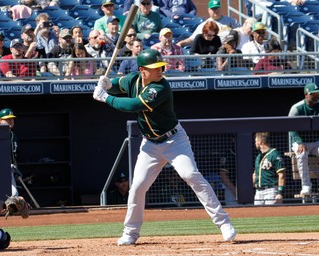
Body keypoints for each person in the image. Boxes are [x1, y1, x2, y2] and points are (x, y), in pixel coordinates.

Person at [93, 49, 236, 245]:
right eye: (155, 68)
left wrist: (105, 97)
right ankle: (130, 233)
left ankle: (224, 223)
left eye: (161, 66)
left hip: (174, 141)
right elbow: (118, 86)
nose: (160, 70)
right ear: (142, 70)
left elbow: (133, 105)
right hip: (150, 145)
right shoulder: (133, 79)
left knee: (190, 175)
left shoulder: (160, 87)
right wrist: (108, 85)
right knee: (137, 187)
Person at [288, 83, 319, 195]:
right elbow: (290, 127)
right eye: (313, 94)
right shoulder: (297, 108)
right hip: (300, 141)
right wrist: (299, 142)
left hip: (318, 141)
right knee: (301, 154)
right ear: (306, 95)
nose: (316, 95)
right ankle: (306, 185)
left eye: (317, 93)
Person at [253, 132, 285, 205]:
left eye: (255, 141)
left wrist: (280, 192)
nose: (255, 143)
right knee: (257, 215)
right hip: (258, 191)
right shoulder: (258, 156)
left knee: (273, 214)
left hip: (271, 190)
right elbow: (255, 174)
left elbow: (282, 174)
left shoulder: (274, 154)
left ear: (260, 142)